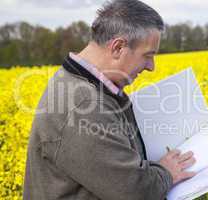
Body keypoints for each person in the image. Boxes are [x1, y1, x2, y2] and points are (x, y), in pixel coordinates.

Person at [23, 0, 196, 199]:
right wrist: (166, 172)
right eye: (147, 56)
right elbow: (134, 192)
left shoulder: (87, 87)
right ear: (118, 47)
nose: (151, 67)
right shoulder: (83, 106)